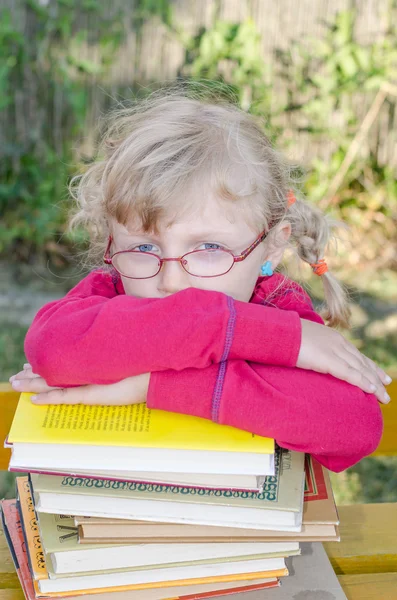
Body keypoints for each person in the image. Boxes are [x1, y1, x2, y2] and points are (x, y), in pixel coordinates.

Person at [9, 90, 391, 473]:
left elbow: (354, 427)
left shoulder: (276, 307)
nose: (171, 280)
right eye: (144, 246)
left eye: (209, 247)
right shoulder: (109, 290)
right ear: (111, 240)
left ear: (272, 247)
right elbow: (52, 352)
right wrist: (243, 331)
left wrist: (153, 386)